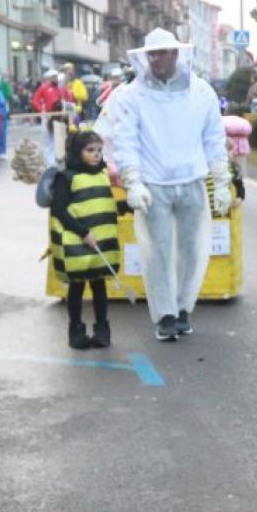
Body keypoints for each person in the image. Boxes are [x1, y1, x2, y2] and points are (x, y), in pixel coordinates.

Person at [99, 29, 229, 343]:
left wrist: (222, 181)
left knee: (192, 250)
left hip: (191, 181)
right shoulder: (131, 95)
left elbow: (214, 139)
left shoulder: (201, 92)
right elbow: (125, 140)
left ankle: (184, 307)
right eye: (151, 54)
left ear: (175, 54)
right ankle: (166, 314)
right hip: (153, 185)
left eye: (161, 53)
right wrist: (132, 181)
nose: (155, 58)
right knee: (157, 252)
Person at [47, 129, 121, 350]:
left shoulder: (103, 174)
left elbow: (102, 202)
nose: (96, 155)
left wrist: (126, 206)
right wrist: (82, 232)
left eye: (99, 150)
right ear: (77, 151)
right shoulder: (67, 177)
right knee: (77, 288)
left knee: (99, 286)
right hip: (79, 242)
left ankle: (102, 330)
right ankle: (76, 330)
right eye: (90, 150)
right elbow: (59, 209)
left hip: (101, 242)